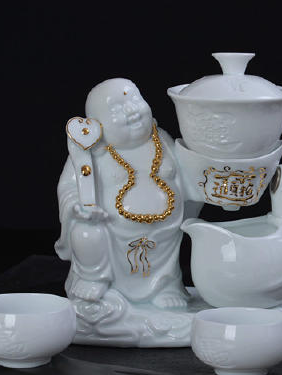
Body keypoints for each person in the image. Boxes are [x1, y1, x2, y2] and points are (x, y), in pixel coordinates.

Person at [55, 78, 197, 347]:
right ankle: (95, 279)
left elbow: (189, 175)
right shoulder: (89, 152)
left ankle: (164, 286)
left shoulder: (161, 139)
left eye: (135, 99)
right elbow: (69, 187)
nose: (131, 110)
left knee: (166, 250)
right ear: (97, 125)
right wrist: (77, 207)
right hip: (109, 229)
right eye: (117, 109)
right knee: (86, 232)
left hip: (165, 233)